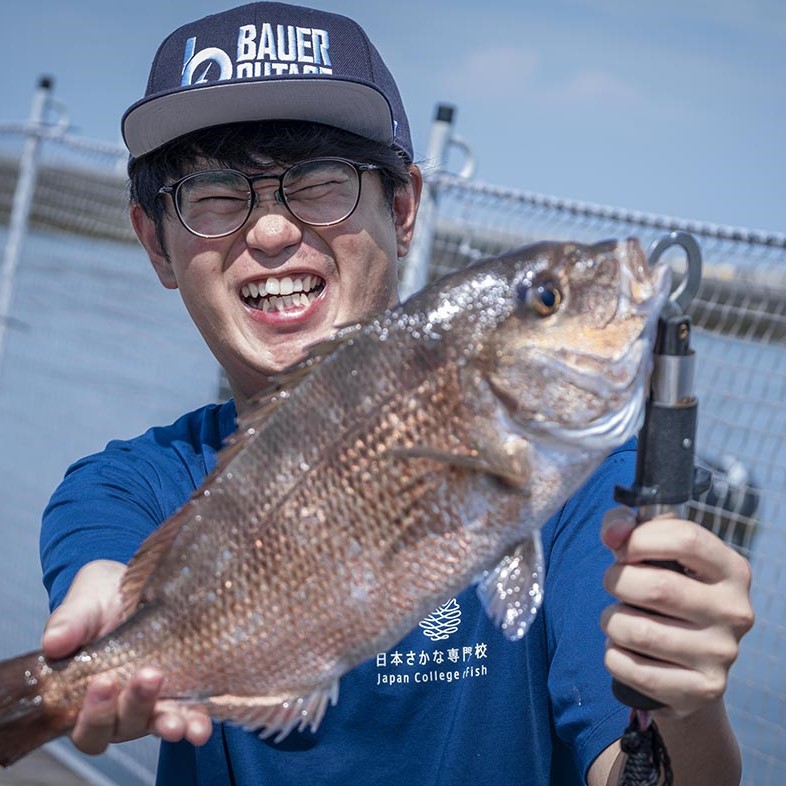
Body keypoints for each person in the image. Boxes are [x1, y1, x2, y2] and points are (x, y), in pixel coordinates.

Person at [38, 3, 754, 785]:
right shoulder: (125, 488)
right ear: (154, 242)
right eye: (213, 194)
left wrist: (684, 706)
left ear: (404, 208)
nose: (273, 232)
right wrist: (94, 646)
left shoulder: (587, 493)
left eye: (319, 184)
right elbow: (106, 576)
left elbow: (636, 771)